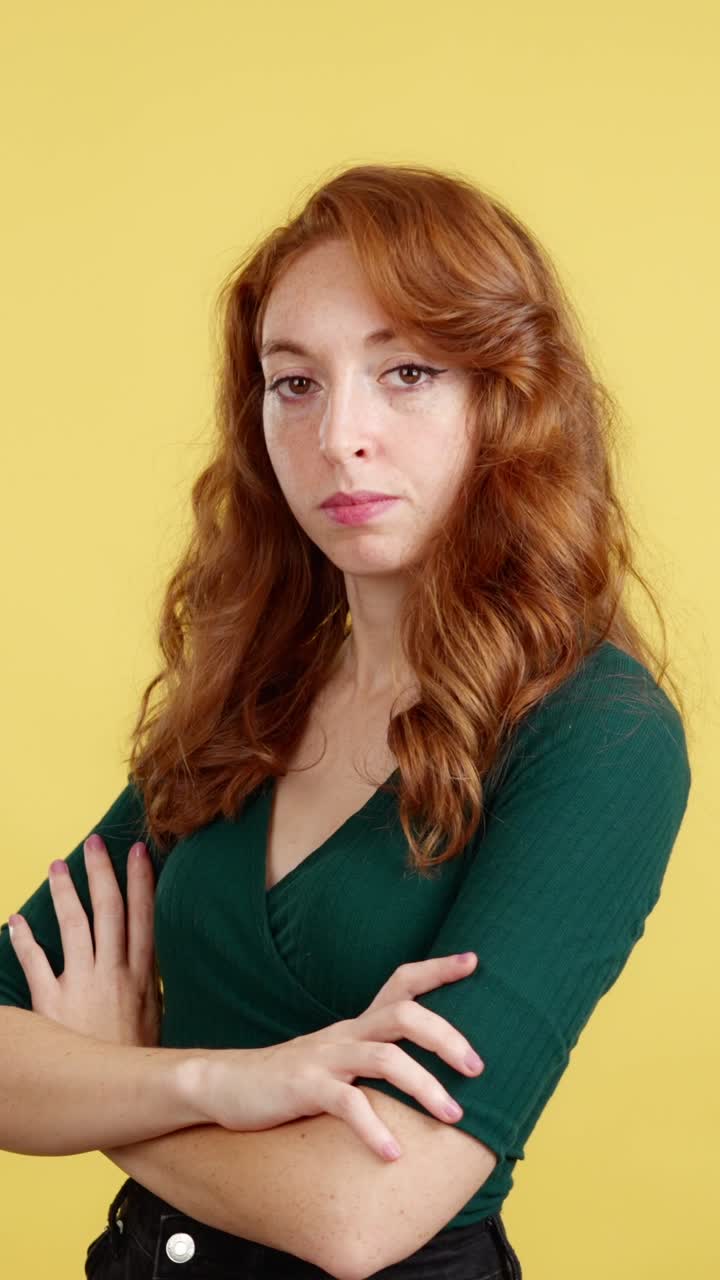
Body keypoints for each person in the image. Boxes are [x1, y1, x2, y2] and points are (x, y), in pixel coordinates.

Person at [0, 163, 691, 1280]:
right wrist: (206, 1080)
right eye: (294, 383)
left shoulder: (598, 733)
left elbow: (360, 1213)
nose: (340, 436)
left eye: (406, 372)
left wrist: (110, 1086)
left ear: (506, 400)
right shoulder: (251, 692)